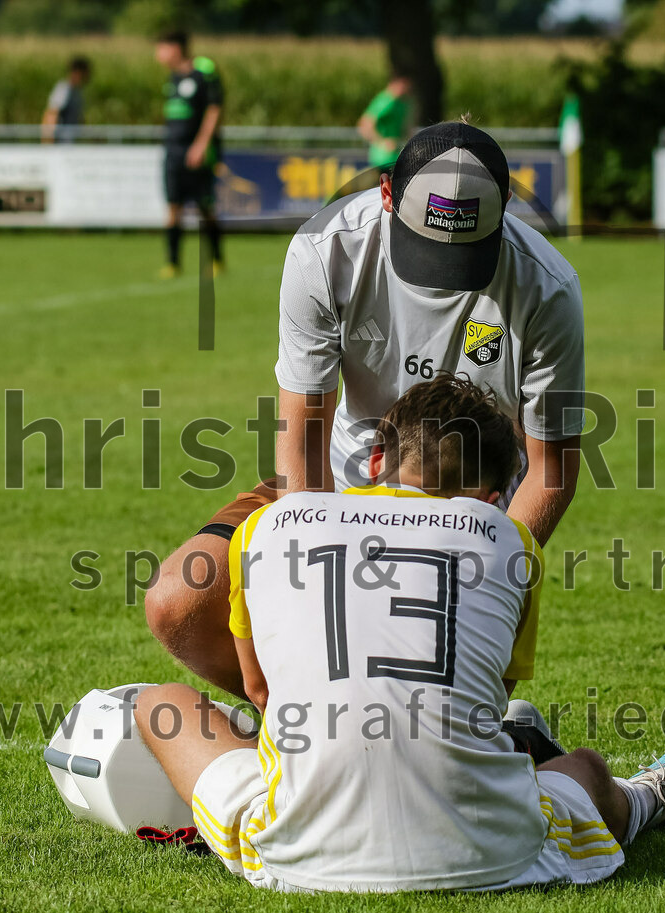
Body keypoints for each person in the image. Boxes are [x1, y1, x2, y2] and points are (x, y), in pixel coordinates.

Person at [135, 376, 665, 892]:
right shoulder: (509, 540)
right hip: (489, 851)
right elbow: (490, 703)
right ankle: (639, 803)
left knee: (160, 704)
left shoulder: (266, 525)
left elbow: (260, 692)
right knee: (577, 768)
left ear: (374, 462)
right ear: (497, 498)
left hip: (296, 855)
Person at [144, 121, 586, 701]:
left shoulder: (547, 289)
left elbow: (550, 469)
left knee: (420, 697)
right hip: (333, 486)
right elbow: (303, 433)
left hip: (467, 510)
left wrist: (484, 569)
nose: (443, 280)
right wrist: (310, 571)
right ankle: (302, 728)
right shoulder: (326, 251)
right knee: (179, 600)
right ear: (385, 194)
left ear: (506, 204)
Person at [155, 30, 224, 278]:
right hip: (173, 151)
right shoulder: (172, 79)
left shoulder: (203, 72)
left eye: (161, 48)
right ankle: (172, 264)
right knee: (173, 207)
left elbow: (214, 109)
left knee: (205, 207)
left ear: (176, 48)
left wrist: (201, 145)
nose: (158, 54)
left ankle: (216, 258)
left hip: (198, 151)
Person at [357, 73, 414, 170]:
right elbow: (364, 124)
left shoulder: (403, 102)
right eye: (403, 84)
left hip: (398, 156)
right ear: (394, 84)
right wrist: (382, 143)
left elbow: (405, 127)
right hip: (383, 159)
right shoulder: (385, 101)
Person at [41, 57, 90, 144]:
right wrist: (48, 141)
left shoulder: (76, 91)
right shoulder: (63, 89)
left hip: (69, 142)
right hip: (60, 143)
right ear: (78, 72)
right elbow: (52, 113)